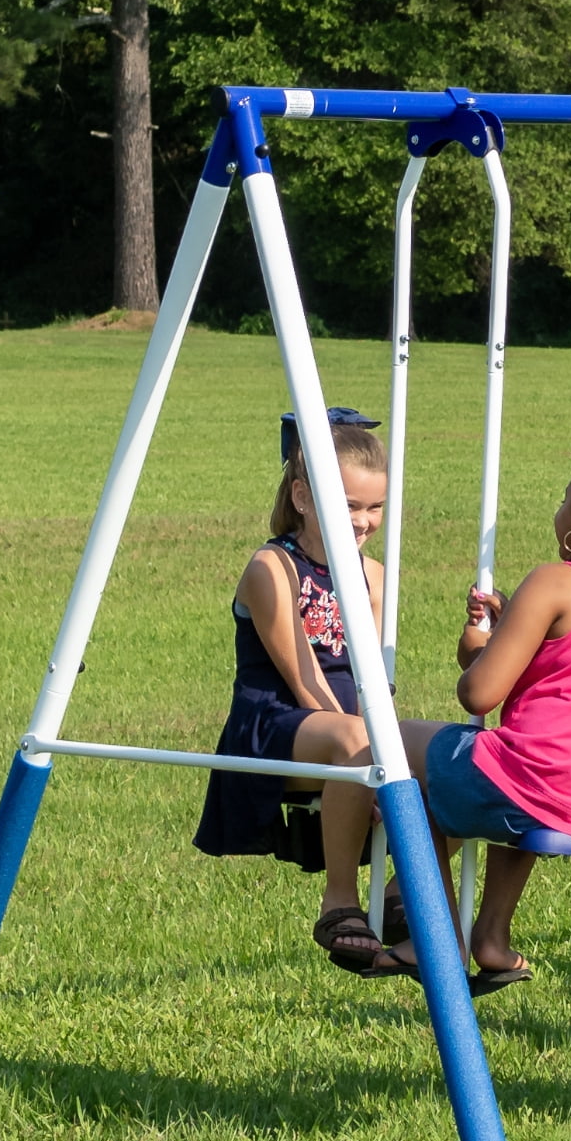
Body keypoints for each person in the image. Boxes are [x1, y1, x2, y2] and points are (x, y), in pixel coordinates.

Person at [363, 425, 571, 993]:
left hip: (541, 780)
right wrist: (511, 628)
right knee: (515, 784)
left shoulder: (556, 582)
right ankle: (490, 938)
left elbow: (478, 694)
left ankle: (433, 933)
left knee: (389, 746)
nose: (561, 509)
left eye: (566, 500)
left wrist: (490, 643)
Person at [194, 408, 401, 974]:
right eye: (350, 506)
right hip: (275, 724)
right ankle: (340, 904)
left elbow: (375, 683)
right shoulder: (273, 568)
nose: (363, 521)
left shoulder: (374, 575)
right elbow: (306, 679)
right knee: (361, 742)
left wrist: (395, 749)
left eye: (375, 507)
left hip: (349, 726)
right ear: (305, 498)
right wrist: (376, 754)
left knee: (448, 751)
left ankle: (404, 899)